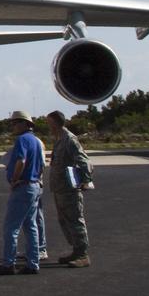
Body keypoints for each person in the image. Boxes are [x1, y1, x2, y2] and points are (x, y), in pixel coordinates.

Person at [0, 110, 44, 275]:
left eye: (15, 123)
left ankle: (9, 264)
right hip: (35, 185)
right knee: (31, 226)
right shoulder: (36, 141)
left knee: (11, 228)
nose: (12, 126)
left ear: (24, 124)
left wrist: (15, 180)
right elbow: (42, 164)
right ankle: (33, 263)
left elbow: (20, 161)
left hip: (23, 187)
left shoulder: (22, 140)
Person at [47, 110, 94, 268]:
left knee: (75, 220)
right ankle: (76, 250)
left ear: (55, 123)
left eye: (49, 123)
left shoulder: (69, 139)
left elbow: (84, 161)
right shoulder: (59, 139)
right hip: (60, 188)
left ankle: (83, 254)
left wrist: (86, 180)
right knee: (65, 220)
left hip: (69, 189)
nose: (48, 127)